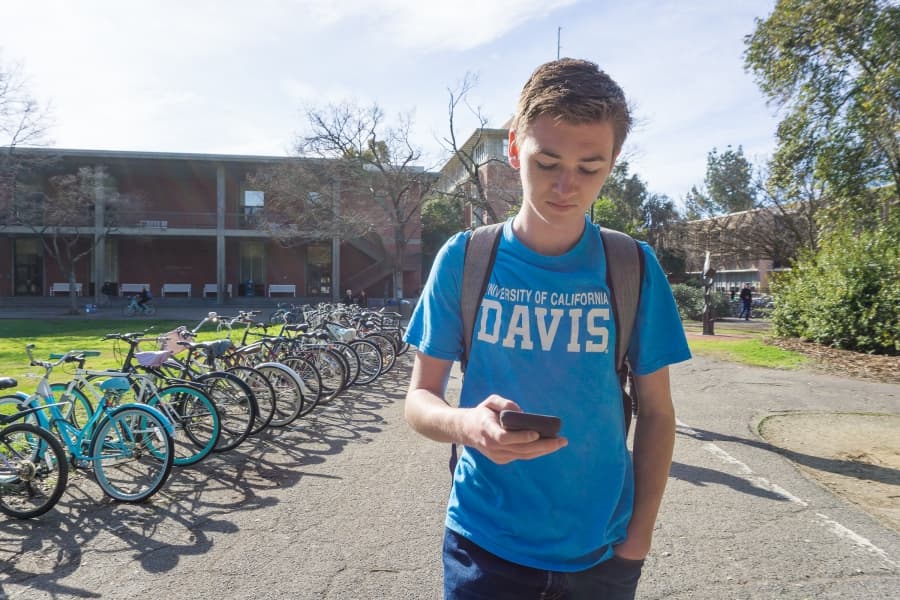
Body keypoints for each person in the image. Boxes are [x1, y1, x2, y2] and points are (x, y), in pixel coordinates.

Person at [403, 58, 691, 599]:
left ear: (613, 163)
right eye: (547, 161)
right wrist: (467, 425)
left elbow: (657, 412)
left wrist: (639, 538)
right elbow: (420, 399)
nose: (566, 185)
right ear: (515, 149)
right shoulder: (465, 259)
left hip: (602, 554)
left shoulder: (632, 266)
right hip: (484, 545)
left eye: (590, 167)